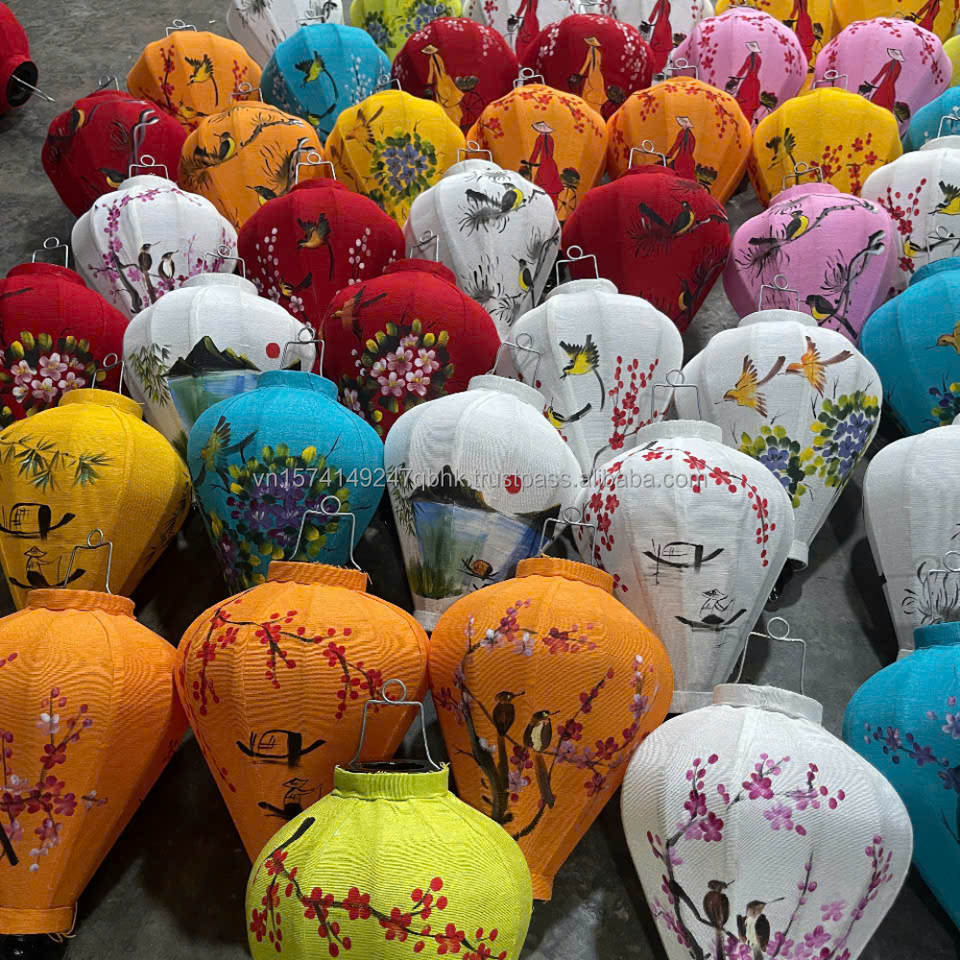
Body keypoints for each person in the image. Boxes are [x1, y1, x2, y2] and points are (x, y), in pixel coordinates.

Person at [729, 40, 762, 125]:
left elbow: (744, 68)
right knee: (750, 104)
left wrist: (737, 76)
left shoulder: (750, 57)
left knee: (744, 102)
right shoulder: (758, 58)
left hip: (748, 82)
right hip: (755, 82)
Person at [528, 120, 563, 199]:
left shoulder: (540, 138)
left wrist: (531, 162)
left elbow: (535, 152)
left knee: (541, 184)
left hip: (544, 165)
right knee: (551, 186)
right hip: (552, 164)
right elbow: (551, 152)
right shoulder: (550, 138)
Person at [864, 47, 905, 112]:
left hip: (888, 83)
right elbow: (882, 72)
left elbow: (882, 73)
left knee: (884, 96)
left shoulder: (896, 65)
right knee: (882, 96)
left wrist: (874, 82)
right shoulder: (891, 64)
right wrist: (874, 82)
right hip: (887, 83)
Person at [665, 115, 696, 181]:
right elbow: (692, 146)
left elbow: (676, 144)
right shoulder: (691, 134)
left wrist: (669, 155)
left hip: (681, 157)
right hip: (689, 158)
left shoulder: (682, 132)